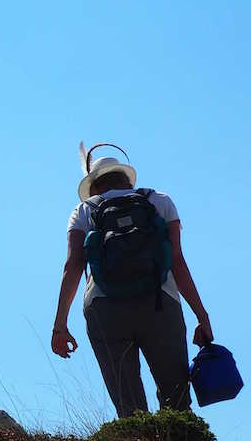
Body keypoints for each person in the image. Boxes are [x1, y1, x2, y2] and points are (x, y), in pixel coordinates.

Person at [51, 143, 213, 417]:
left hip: (105, 309)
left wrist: (60, 326)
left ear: (94, 186)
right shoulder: (159, 201)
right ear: (127, 179)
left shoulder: (84, 210)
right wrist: (202, 315)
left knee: (129, 405)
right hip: (160, 304)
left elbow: (73, 266)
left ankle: (137, 439)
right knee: (176, 399)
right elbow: (177, 260)